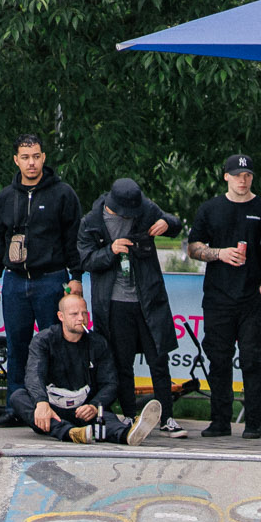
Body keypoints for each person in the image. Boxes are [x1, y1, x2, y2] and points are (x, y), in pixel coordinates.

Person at [0, 135, 83, 426]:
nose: (32, 162)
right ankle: (17, 408)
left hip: (51, 280)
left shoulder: (63, 194)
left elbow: (73, 239)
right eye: (26, 157)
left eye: (37, 156)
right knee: (17, 346)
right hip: (14, 281)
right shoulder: (6, 196)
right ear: (16, 160)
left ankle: (60, 407)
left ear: (44, 157)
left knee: (56, 345)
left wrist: (76, 276)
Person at [78, 178, 181, 428]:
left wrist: (166, 223)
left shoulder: (143, 207)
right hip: (114, 303)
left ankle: (166, 416)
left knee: (159, 359)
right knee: (121, 362)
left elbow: (175, 224)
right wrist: (110, 251)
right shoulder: (91, 222)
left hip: (148, 298)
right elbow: (86, 260)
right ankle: (129, 415)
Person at [187, 154, 261, 439]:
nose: (242, 180)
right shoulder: (211, 208)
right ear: (226, 177)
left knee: (252, 360)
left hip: (251, 299)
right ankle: (220, 420)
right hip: (217, 298)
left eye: (247, 175)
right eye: (237, 175)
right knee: (219, 360)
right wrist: (219, 253)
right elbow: (193, 247)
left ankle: (254, 422)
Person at [11, 292, 161, 445]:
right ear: (61, 316)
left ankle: (128, 434)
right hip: (52, 408)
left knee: (106, 418)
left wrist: (94, 405)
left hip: (84, 408)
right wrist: (41, 402)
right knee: (18, 397)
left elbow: (110, 383)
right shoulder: (43, 340)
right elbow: (33, 374)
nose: (81, 318)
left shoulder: (98, 343)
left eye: (84, 313)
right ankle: (70, 433)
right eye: (74, 314)